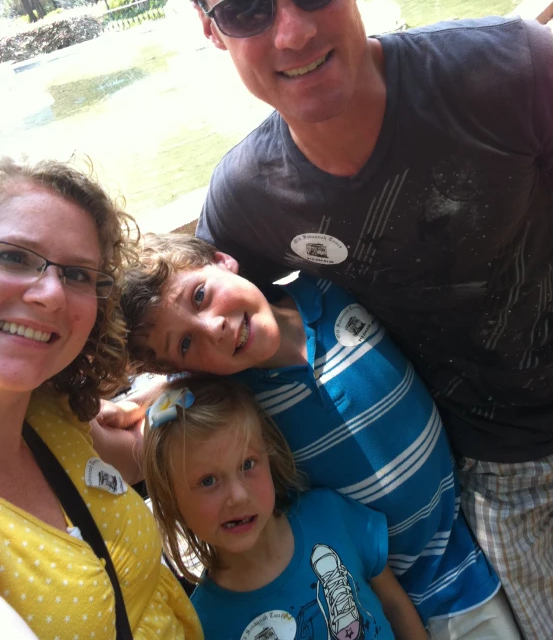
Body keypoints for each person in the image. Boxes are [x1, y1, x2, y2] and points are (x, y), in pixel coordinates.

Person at [167, 0, 553, 636]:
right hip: (498, 479)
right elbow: (189, 327)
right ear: (211, 28)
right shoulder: (249, 202)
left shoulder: (506, 67)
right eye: (246, 8)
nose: (293, 29)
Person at [118, 231, 521, 639]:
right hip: (367, 591)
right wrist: (145, 398)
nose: (214, 327)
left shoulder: (332, 291)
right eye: (186, 342)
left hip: (472, 540)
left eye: (200, 295)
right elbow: (124, 442)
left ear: (223, 260)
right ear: (188, 370)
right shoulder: (238, 402)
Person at [0, 157, 202, 640]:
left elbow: (142, 447)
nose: (51, 293)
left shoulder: (46, 414)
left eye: (77, 275)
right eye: (15, 256)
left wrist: (183, 379)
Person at [142, 376, 429, 640]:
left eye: (247, 464)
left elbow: (394, 605)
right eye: (208, 481)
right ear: (172, 501)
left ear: (270, 456)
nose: (238, 496)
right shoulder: (202, 624)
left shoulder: (329, 514)